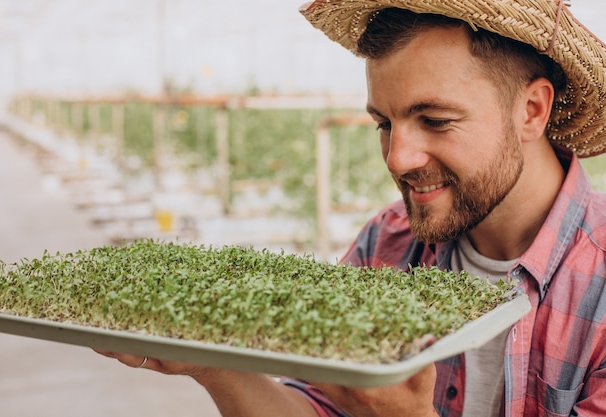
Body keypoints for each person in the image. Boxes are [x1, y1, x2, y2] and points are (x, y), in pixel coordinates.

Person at [97, 0, 606, 416]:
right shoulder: (387, 242)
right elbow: (315, 407)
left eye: (434, 119)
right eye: (384, 123)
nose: (397, 158)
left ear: (531, 110)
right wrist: (210, 363)